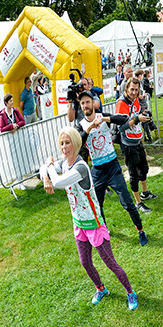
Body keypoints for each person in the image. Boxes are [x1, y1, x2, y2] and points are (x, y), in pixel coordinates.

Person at [40, 126, 138, 310]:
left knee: (110, 263)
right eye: (61, 143)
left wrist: (49, 167)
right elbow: (42, 167)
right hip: (79, 224)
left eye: (67, 142)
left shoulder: (81, 167)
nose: (64, 147)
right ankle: (101, 288)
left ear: (76, 143)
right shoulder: (64, 164)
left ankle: (130, 292)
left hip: (94, 224)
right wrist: (46, 174)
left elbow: (59, 182)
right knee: (85, 262)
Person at [75, 91, 148, 246]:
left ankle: (141, 230)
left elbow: (123, 119)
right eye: (82, 103)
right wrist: (89, 128)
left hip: (113, 166)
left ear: (93, 103)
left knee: (127, 202)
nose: (85, 106)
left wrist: (104, 119)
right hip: (97, 170)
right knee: (98, 203)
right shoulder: (80, 125)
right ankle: (104, 230)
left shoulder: (103, 117)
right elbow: (78, 142)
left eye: (87, 102)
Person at [115, 78, 157, 214]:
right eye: (131, 89)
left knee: (144, 168)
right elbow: (121, 127)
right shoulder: (121, 103)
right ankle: (138, 202)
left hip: (137, 140)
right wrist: (137, 119)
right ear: (126, 89)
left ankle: (145, 192)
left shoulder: (135, 100)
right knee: (133, 174)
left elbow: (137, 114)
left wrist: (143, 115)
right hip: (127, 144)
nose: (134, 92)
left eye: (136, 90)